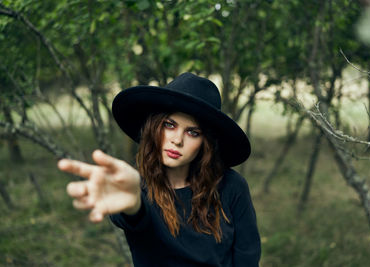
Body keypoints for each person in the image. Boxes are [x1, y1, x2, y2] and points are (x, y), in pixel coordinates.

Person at [58, 72, 261, 266]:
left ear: (205, 143)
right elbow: (133, 214)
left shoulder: (231, 186)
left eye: (192, 132)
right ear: (154, 127)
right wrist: (132, 204)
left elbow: (247, 257)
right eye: (169, 125)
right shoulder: (135, 188)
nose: (177, 140)